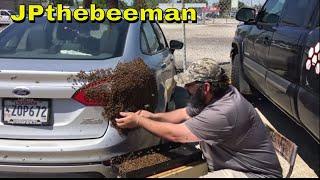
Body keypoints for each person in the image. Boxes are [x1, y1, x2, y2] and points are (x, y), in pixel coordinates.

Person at [116, 58, 282, 178]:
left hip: (255, 174)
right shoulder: (216, 93)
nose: (186, 88)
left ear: (206, 87)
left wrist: (139, 121)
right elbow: (183, 114)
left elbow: (177, 134)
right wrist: (153, 116)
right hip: (232, 163)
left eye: (189, 85)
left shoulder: (224, 111)